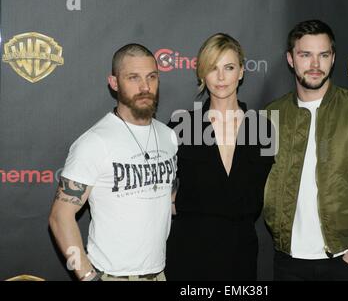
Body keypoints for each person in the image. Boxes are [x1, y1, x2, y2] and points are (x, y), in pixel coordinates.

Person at [263, 20, 348, 281]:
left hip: (345, 261)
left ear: (333, 58)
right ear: (291, 59)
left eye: (323, 55)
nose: (315, 65)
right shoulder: (271, 116)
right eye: (305, 55)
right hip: (286, 261)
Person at [49, 43, 177, 281]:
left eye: (152, 77)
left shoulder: (168, 136)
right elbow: (60, 217)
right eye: (133, 77)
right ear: (114, 83)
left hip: (159, 274)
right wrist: (88, 277)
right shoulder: (95, 142)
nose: (145, 87)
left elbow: (169, 189)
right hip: (112, 276)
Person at [165, 33, 275, 281]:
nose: (222, 77)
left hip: (241, 253)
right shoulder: (182, 126)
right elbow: (158, 185)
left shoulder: (264, 129)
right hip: (189, 252)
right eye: (213, 68)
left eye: (229, 67)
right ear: (202, 73)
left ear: (242, 72)